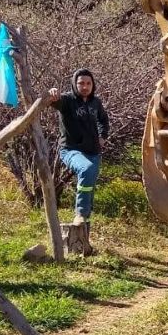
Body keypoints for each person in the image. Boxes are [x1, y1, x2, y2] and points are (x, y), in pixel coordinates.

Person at [48, 69, 109, 225]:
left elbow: (103, 120)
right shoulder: (67, 100)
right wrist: (52, 93)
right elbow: (54, 100)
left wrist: (102, 137)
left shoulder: (96, 102)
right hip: (71, 150)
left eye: (88, 83)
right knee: (86, 169)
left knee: (89, 190)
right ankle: (80, 213)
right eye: (81, 83)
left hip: (93, 152)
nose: (85, 86)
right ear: (75, 84)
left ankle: (83, 238)